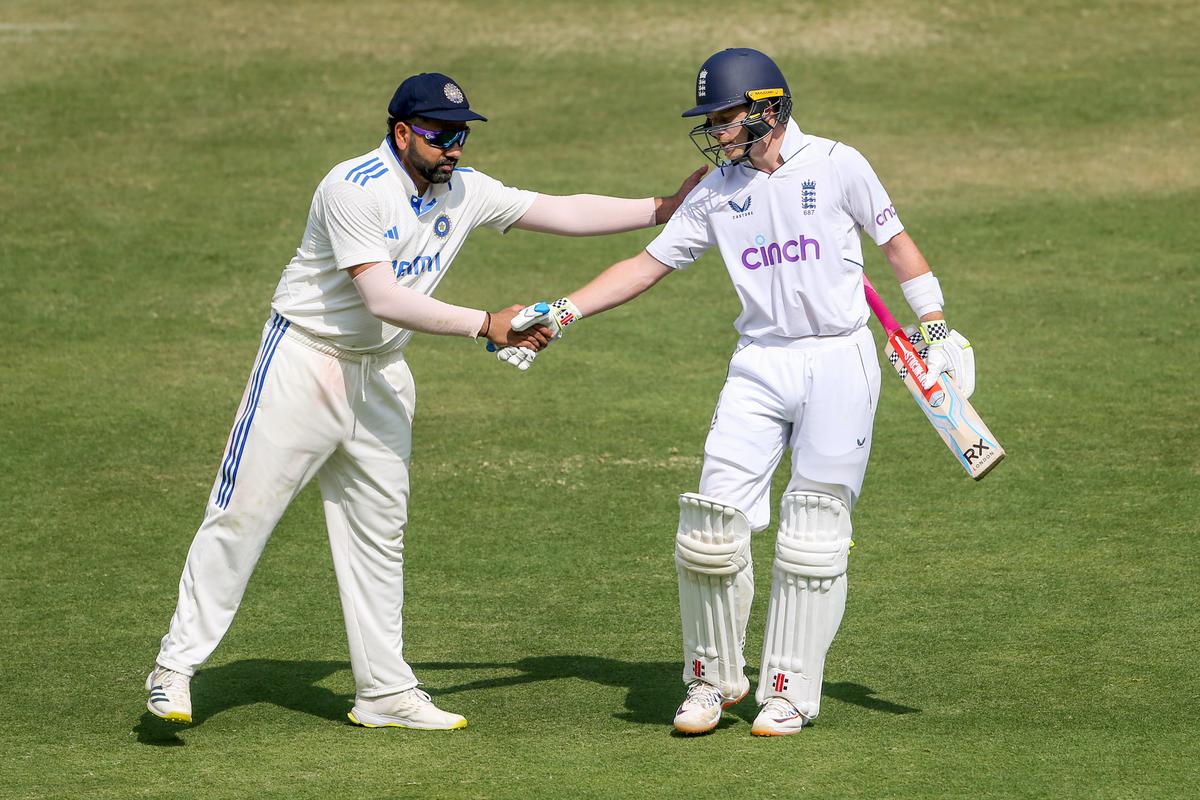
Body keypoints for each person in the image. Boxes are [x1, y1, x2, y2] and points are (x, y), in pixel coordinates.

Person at [145, 72, 705, 731]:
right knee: (241, 516)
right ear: (402, 131)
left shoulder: (463, 189)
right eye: (440, 135)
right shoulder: (351, 188)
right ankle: (173, 670)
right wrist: (485, 322)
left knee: (380, 532)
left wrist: (663, 206)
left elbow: (559, 210)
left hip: (381, 374)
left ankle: (383, 692)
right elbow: (380, 298)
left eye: (461, 134)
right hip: (305, 363)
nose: (454, 148)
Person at [508, 49, 975, 736]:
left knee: (814, 533)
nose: (716, 131)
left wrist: (933, 327)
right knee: (711, 523)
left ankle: (788, 691)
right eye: (713, 119)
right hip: (759, 362)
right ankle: (711, 681)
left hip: (839, 360)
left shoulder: (840, 163)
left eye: (725, 118)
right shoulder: (715, 193)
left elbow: (896, 243)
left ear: (770, 108)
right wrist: (562, 312)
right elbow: (646, 265)